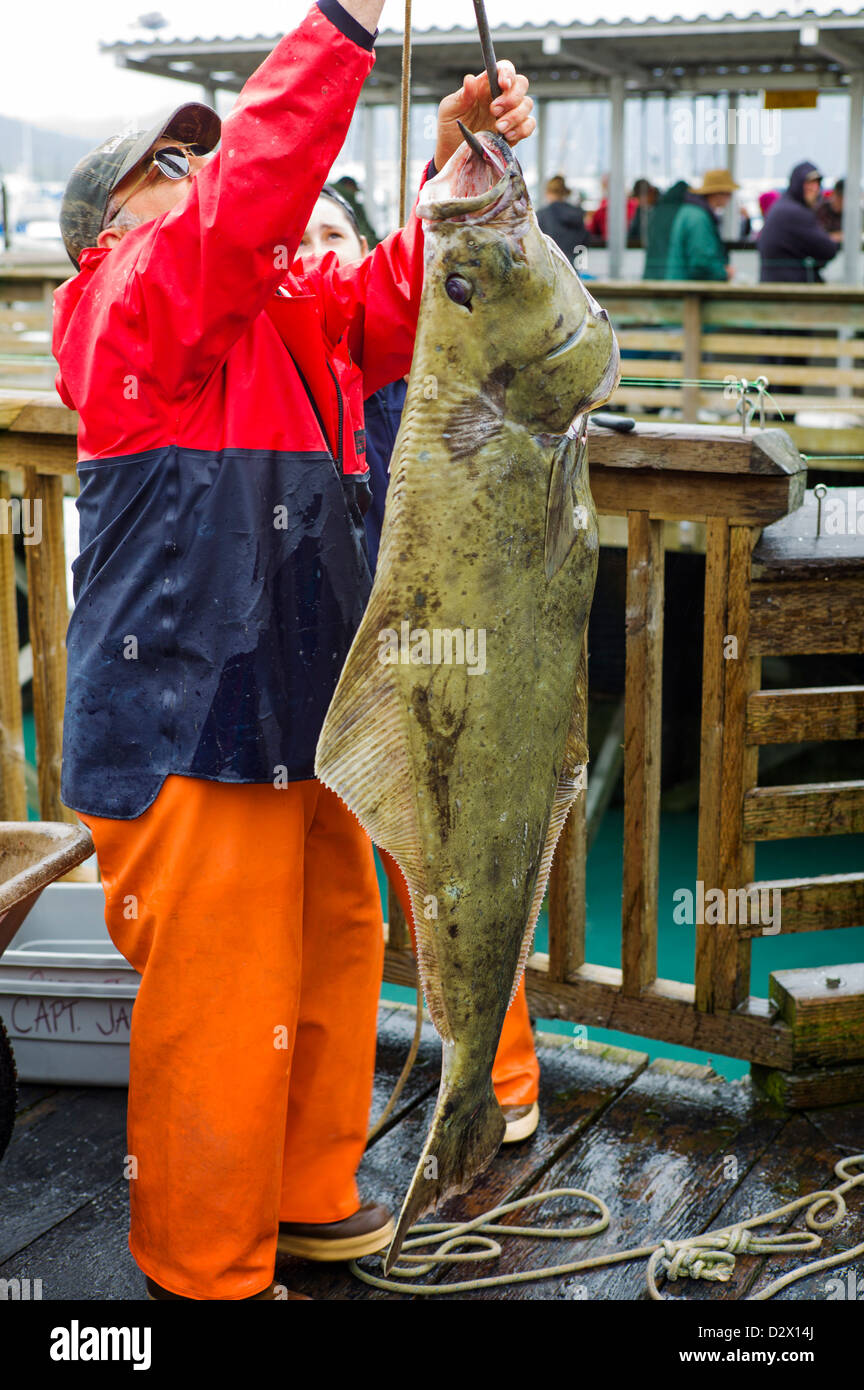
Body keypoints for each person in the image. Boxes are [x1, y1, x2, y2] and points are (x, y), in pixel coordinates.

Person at [53, 0, 535, 1302]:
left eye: (200, 159)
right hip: (184, 725)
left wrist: (460, 167)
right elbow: (253, 201)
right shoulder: (128, 300)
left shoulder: (289, 312)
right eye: (170, 163)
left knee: (329, 956)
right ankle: (203, 1263)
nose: (198, 176)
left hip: (300, 718)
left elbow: (401, 299)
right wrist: (345, 21)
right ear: (109, 223)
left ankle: (312, 1196)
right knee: (221, 1002)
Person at [300, 186, 542, 1139]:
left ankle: (500, 1076)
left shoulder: (425, 366)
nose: (321, 250)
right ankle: (340, 1095)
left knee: (457, 871)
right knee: (335, 895)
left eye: (338, 235)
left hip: (426, 662)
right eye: (304, 237)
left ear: (368, 254)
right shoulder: (298, 370)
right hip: (317, 659)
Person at [643, 169, 737, 281]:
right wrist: (723, 273)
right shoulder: (698, 217)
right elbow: (701, 262)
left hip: (673, 284)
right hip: (684, 289)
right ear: (718, 193)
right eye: (729, 193)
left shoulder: (690, 211)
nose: (730, 197)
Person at [758, 161, 841, 282]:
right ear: (798, 184)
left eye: (817, 183)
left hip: (775, 282)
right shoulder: (795, 213)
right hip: (789, 289)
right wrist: (835, 238)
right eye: (809, 183)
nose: (814, 188)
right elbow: (828, 250)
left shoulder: (783, 205)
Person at [537, 174, 590, 264]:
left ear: (547, 192)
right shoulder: (577, 214)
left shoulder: (541, 215)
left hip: (549, 266)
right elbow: (584, 242)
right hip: (572, 266)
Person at [330, 172, 380, 247]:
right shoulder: (348, 199)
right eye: (355, 191)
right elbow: (362, 227)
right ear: (349, 186)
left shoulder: (324, 194)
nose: (355, 195)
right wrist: (375, 245)